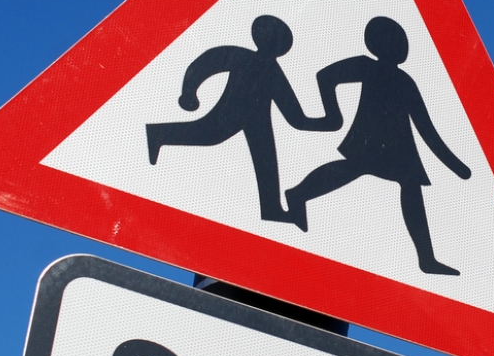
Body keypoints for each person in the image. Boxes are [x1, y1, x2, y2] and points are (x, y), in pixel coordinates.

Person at [285, 16, 471, 276]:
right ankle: (297, 195)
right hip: (371, 137)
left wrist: (456, 165)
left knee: (403, 183)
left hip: (398, 145)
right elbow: (326, 76)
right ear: (380, 44)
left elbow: (426, 128)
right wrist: (333, 115)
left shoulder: (406, 82)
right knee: (355, 170)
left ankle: (427, 259)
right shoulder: (367, 67)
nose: (403, 47)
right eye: (397, 42)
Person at [146, 15, 338, 222]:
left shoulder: (271, 71)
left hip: (258, 121)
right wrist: (189, 92)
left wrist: (327, 123)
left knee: (266, 161)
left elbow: (295, 116)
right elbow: (206, 63)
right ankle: (159, 133)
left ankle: (272, 208)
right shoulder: (243, 57)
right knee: (209, 135)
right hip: (232, 112)